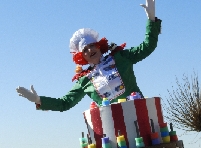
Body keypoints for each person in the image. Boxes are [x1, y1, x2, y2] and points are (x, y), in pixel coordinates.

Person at [16, 0, 161, 110]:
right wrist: (38, 99)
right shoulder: (84, 81)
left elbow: (148, 47)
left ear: (99, 46)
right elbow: (65, 103)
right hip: (114, 130)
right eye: (85, 50)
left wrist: (151, 20)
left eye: (92, 46)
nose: (89, 50)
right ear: (81, 57)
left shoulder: (121, 58)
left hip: (140, 114)